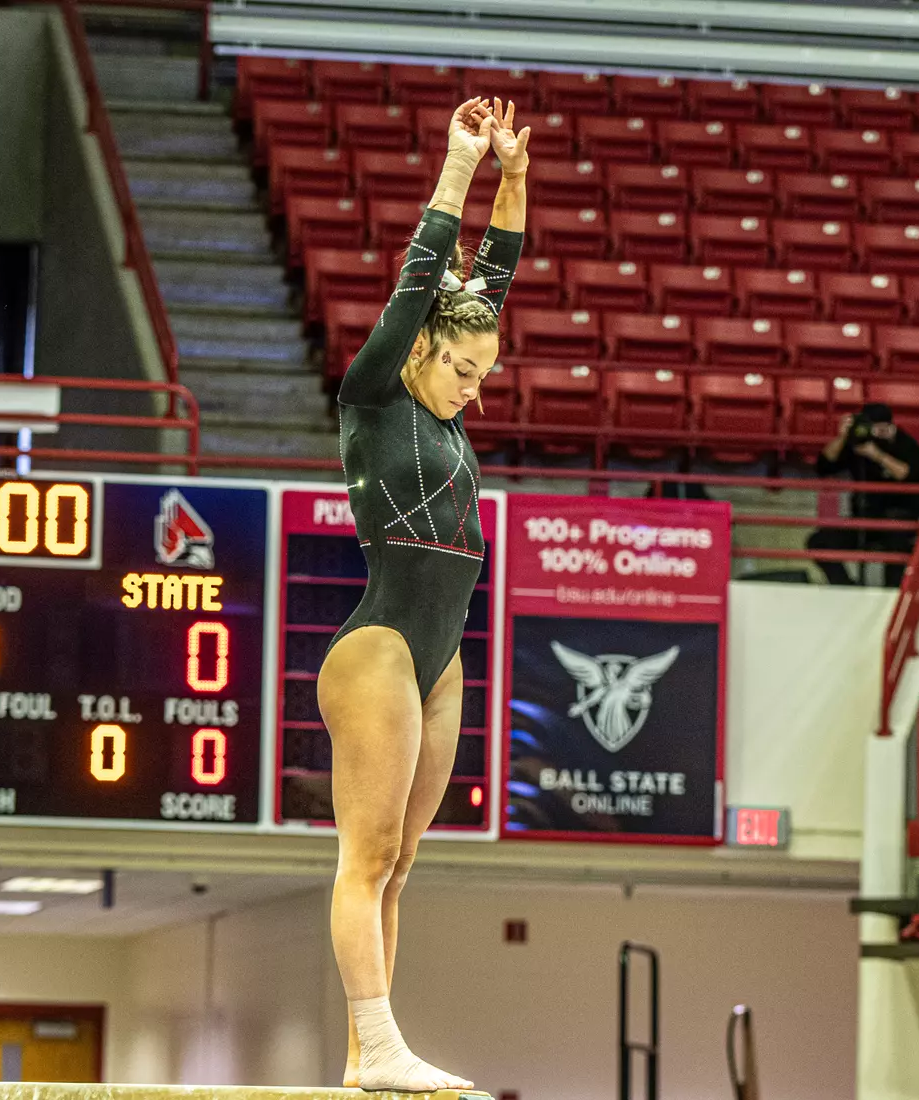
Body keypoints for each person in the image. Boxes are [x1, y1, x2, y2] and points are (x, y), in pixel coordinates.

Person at [318, 94, 528, 1093]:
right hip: (382, 647)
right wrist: (458, 165)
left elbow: (489, 280)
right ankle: (375, 1037)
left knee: (402, 862)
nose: (471, 391)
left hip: (440, 657)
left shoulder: (447, 407)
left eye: (484, 378)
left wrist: (514, 174)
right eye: (463, 371)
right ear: (419, 348)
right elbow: (424, 280)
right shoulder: (374, 391)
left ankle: (372, 1051)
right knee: (366, 856)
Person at [806, 402, 919, 587]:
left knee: (898, 549)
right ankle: (845, 587)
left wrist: (877, 455)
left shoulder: (906, 444)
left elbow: (909, 475)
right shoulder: (858, 443)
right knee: (819, 541)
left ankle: (892, 597)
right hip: (863, 518)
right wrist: (842, 437)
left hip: (898, 519)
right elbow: (824, 466)